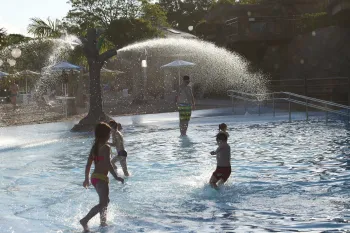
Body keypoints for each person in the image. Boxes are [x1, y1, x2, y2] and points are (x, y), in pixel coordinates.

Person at [80, 123, 124, 232]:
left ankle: (103, 223)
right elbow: (108, 164)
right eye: (109, 133)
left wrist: (86, 178)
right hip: (102, 179)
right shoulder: (106, 147)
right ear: (105, 135)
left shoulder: (94, 147)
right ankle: (85, 220)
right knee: (104, 202)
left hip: (94, 178)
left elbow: (88, 164)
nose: (110, 135)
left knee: (104, 201)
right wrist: (116, 176)